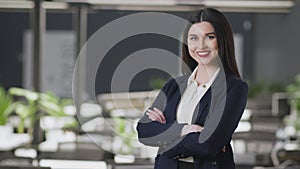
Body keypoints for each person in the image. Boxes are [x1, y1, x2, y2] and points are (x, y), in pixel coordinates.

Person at [136, 7, 248, 169]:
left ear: (222, 40)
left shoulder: (234, 88)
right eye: (193, 38)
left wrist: (165, 142)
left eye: (209, 37)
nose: (200, 45)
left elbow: (208, 144)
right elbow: (144, 130)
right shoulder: (174, 86)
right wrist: (184, 129)